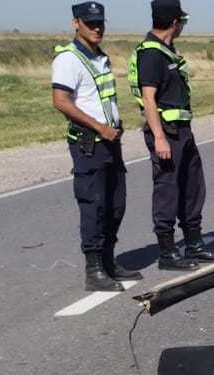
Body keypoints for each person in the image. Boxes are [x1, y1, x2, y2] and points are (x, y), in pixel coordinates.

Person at [130, 0, 214, 270]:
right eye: (182, 21)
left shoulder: (166, 51)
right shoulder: (151, 54)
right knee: (167, 192)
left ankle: (194, 245)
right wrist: (158, 137)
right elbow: (148, 98)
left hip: (183, 131)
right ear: (174, 23)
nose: (183, 26)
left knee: (193, 189)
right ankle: (168, 253)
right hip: (167, 134)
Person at [52, 2, 137, 291]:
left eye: (100, 22)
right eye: (90, 23)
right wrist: (100, 127)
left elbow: (101, 97)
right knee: (94, 206)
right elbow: (61, 102)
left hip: (111, 141)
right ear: (76, 23)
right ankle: (94, 270)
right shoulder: (69, 58)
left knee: (116, 205)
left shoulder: (100, 57)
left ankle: (109, 261)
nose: (97, 27)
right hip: (90, 144)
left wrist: (115, 120)